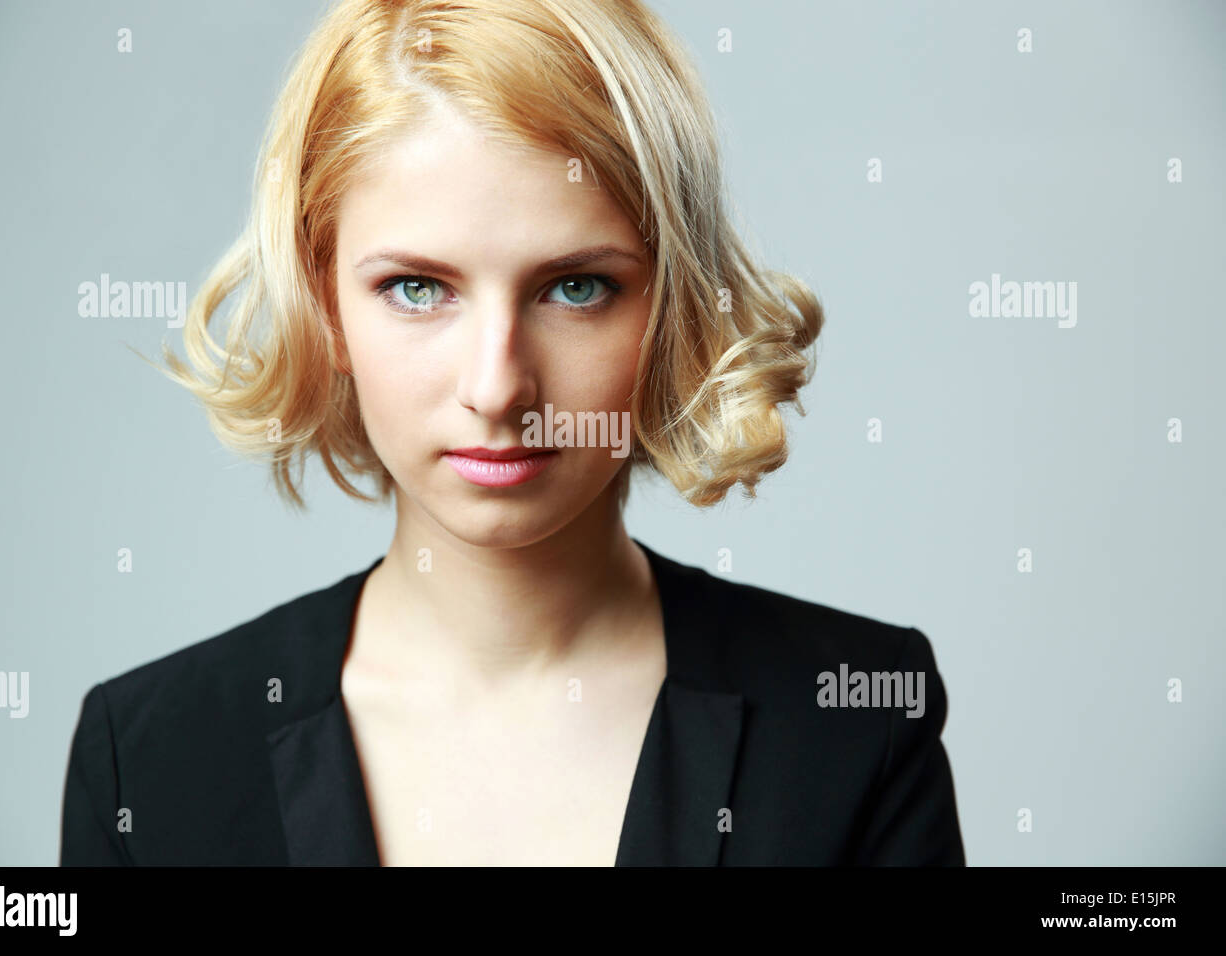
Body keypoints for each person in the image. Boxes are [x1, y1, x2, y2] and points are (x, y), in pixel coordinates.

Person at [60, 0, 964, 866]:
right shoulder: (147, 758)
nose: (497, 387)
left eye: (576, 287)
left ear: (673, 304)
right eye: (417, 288)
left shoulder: (856, 719)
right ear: (325, 306)